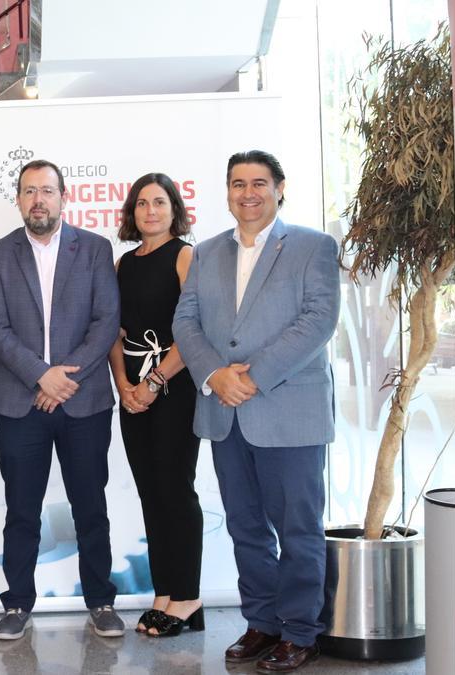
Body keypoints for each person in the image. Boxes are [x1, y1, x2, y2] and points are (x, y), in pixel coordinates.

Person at [172, 150, 340, 672]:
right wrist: (214, 375)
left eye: (259, 183)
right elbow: (186, 321)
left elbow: (317, 322)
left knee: (298, 528)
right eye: (238, 183)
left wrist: (251, 375)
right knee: (245, 527)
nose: (248, 193)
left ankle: (300, 631)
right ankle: (262, 624)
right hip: (225, 412)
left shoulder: (313, 246)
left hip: (287, 411)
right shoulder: (206, 252)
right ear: (226, 192)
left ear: (279, 188)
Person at [0, 159, 123, 640]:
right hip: (20, 402)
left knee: (90, 505)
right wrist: (42, 377)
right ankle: (17, 603)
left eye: (47, 190)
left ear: (64, 197)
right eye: (29, 191)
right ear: (18, 200)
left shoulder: (96, 249)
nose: (38, 199)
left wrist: (64, 379)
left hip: (84, 402)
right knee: (22, 508)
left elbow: (106, 321)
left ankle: (101, 601)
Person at [107, 173, 203, 637]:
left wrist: (155, 382)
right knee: (152, 493)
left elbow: (193, 331)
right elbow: (116, 334)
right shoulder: (124, 264)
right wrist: (124, 385)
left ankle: (188, 598)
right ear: (132, 212)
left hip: (174, 390)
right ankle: (165, 592)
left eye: (159, 202)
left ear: (174, 210)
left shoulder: (185, 256)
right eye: (142, 203)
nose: (150, 211)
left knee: (176, 490)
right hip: (132, 396)